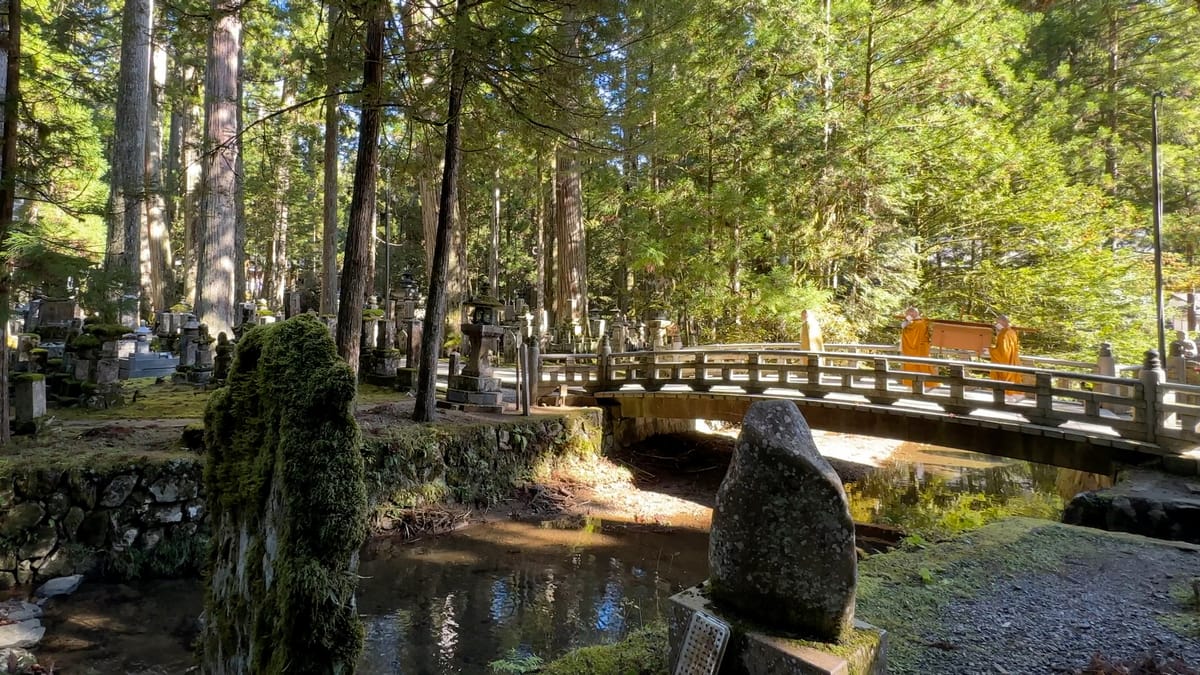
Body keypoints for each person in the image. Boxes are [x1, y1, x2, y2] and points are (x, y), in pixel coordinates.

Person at [899, 306, 935, 389]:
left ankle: (927, 384)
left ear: (914, 313)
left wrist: (908, 321)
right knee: (913, 365)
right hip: (914, 348)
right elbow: (903, 326)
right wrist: (907, 320)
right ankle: (911, 384)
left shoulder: (919, 323)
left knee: (921, 365)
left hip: (919, 348)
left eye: (908, 313)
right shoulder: (915, 322)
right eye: (906, 314)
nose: (907, 315)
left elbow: (906, 328)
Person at [990, 314, 1022, 398]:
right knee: (1013, 376)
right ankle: (1013, 396)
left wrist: (990, 351)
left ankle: (1006, 396)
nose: (996, 324)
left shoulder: (1004, 334)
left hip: (1005, 360)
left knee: (1004, 377)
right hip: (1013, 359)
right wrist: (998, 333)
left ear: (1003, 322)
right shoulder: (1012, 332)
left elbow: (1003, 351)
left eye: (998, 322)